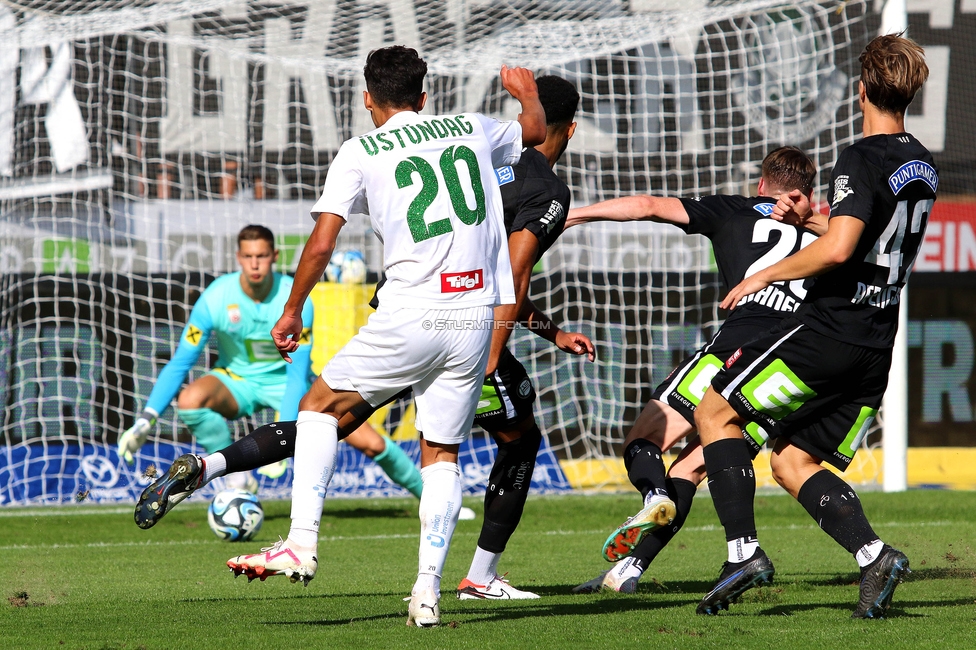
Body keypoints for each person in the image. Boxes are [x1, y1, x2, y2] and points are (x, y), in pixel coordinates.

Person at [135, 76, 593, 602]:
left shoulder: (454, 142)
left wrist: (551, 331)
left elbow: (485, 262)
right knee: (509, 441)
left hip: (402, 311)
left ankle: (210, 466)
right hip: (466, 328)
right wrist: (492, 355)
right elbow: (509, 273)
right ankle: (470, 579)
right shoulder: (538, 182)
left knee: (330, 419)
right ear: (572, 129)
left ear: (371, 98)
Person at [231, 45, 545, 628]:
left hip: (411, 310)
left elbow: (323, 243)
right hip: (476, 316)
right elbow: (532, 129)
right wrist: (525, 93)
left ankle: (301, 541)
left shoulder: (359, 150)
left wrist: (292, 309)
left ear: (369, 99)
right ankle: (426, 592)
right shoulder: (472, 128)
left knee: (319, 408)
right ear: (424, 97)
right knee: (442, 454)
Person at [693, 33, 933, 618]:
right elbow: (865, 235)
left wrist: (762, 276)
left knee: (713, 412)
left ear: (860, 89)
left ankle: (743, 553)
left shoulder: (859, 155)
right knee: (791, 461)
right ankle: (874, 555)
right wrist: (819, 219)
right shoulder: (922, 162)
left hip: (829, 333)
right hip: (877, 343)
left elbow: (839, 250)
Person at [564, 147, 822, 593]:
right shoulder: (835, 233)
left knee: (645, 439)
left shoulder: (736, 208)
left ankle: (653, 496)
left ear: (761, 186)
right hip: (791, 364)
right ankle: (627, 572)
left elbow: (647, 206)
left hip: (734, 350)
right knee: (691, 469)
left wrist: (578, 215)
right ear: (807, 194)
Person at [120, 225, 429, 507]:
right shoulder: (215, 298)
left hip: (288, 385)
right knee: (190, 400)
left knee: (371, 442)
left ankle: (428, 498)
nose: (255, 264)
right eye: (249, 256)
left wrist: (282, 436)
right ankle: (237, 480)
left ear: (274, 257)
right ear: (238, 257)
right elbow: (181, 362)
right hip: (236, 382)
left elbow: (296, 376)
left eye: (263, 256)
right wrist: (146, 418)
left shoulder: (296, 299)